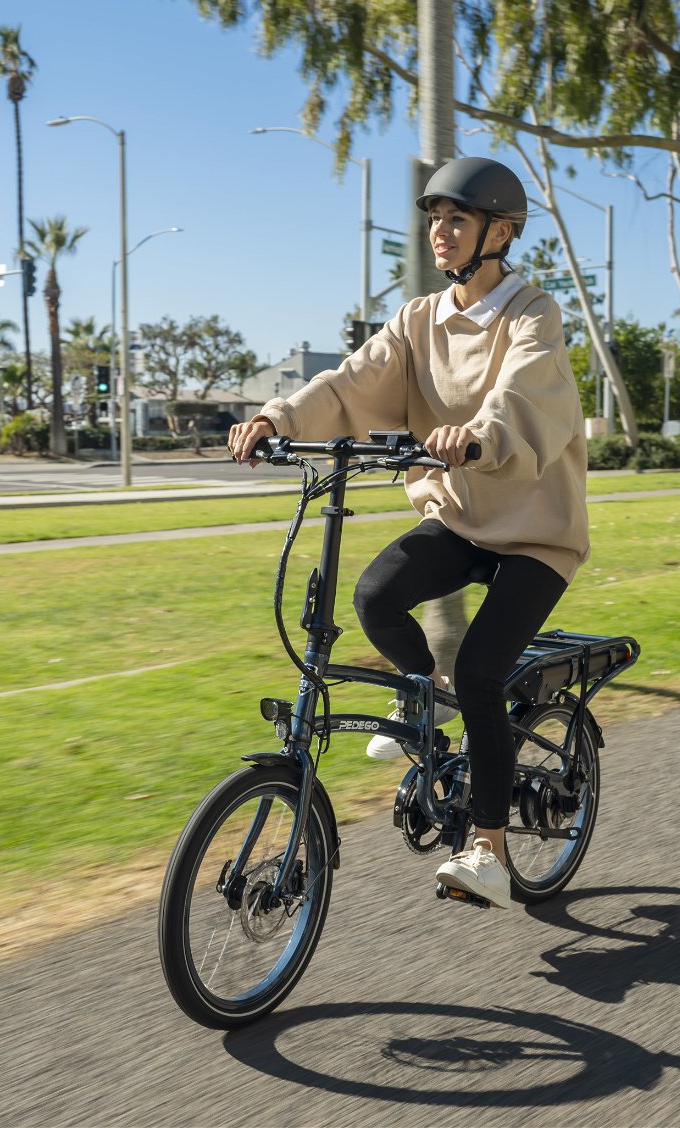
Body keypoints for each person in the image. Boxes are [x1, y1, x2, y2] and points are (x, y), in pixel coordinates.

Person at [228, 157, 588, 909]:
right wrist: (276, 418)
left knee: (487, 672)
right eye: (435, 219)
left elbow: (525, 390)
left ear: (501, 231)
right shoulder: (419, 318)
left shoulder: (533, 314)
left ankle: (487, 847)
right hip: (460, 517)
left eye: (457, 219)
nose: (440, 233)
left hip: (534, 530)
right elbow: (353, 381)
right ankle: (422, 699)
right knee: (374, 595)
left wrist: (477, 435)